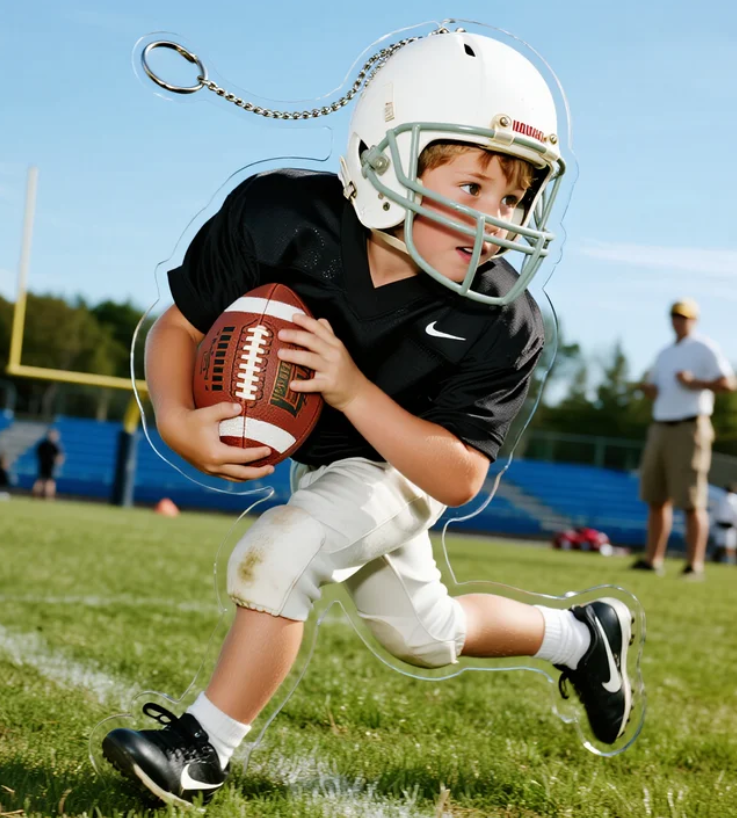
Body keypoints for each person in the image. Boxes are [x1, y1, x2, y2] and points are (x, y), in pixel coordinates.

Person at [103, 29, 639, 807]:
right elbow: (181, 326)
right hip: (331, 465)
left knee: (281, 552)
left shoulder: (503, 316)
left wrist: (352, 389)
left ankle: (200, 749)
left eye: (515, 197)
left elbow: (456, 475)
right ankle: (582, 636)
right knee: (422, 634)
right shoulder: (281, 218)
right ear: (385, 157)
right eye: (472, 188)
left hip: (407, 461)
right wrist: (179, 420)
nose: (498, 218)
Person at [632, 299, 736, 578]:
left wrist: (696, 383)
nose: (679, 320)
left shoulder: (704, 347)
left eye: (685, 316)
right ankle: (653, 560)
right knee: (656, 498)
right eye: (675, 315)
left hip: (690, 427)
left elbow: (729, 383)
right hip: (660, 426)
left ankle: (694, 565)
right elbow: (658, 387)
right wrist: (649, 390)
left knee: (692, 500)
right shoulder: (665, 353)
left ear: (695, 320)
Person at [31, 429, 64, 500]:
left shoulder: (42, 444)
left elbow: (37, 454)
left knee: (41, 481)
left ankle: (36, 496)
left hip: (43, 465)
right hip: (49, 466)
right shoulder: (55, 446)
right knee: (49, 482)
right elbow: (59, 458)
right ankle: (48, 497)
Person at [712, 482, 737, 564]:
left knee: (728, 546)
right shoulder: (725, 499)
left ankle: (729, 561)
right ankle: (723, 561)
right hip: (724, 526)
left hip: (729, 527)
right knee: (725, 545)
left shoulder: (722, 498)